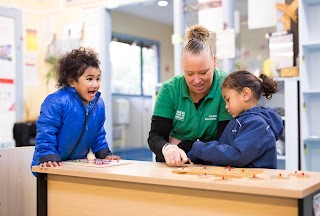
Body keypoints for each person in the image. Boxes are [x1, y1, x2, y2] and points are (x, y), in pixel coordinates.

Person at [148, 24, 232, 166]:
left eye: (203, 72)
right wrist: (167, 147)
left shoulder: (227, 86)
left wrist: (182, 145)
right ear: (182, 66)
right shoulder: (169, 89)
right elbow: (156, 136)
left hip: (213, 165)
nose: (197, 80)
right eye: (190, 74)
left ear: (214, 62)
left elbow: (225, 142)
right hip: (176, 165)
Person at [31, 47, 120, 176]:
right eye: (89, 79)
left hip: (75, 166)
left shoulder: (99, 104)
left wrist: (103, 153)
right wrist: (47, 154)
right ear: (72, 81)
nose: (95, 84)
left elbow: (98, 133)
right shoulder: (56, 101)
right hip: (50, 165)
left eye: (98, 78)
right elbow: (46, 131)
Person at [187, 70, 284, 169]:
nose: (226, 106)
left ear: (245, 94)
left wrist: (199, 149)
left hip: (255, 182)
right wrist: (194, 155)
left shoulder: (257, 124)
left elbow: (237, 155)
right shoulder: (241, 120)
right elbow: (224, 145)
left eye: (228, 100)